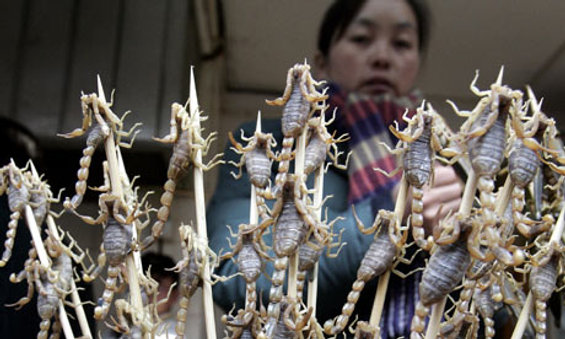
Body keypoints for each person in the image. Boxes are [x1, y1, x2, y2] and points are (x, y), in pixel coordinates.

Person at [206, 0, 463, 337]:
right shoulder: (267, 144)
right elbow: (235, 282)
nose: (382, 57)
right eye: (361, 39)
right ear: (321, 63)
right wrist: (387, 211)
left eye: (401, 44)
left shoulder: (448, 164)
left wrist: (461, 238)